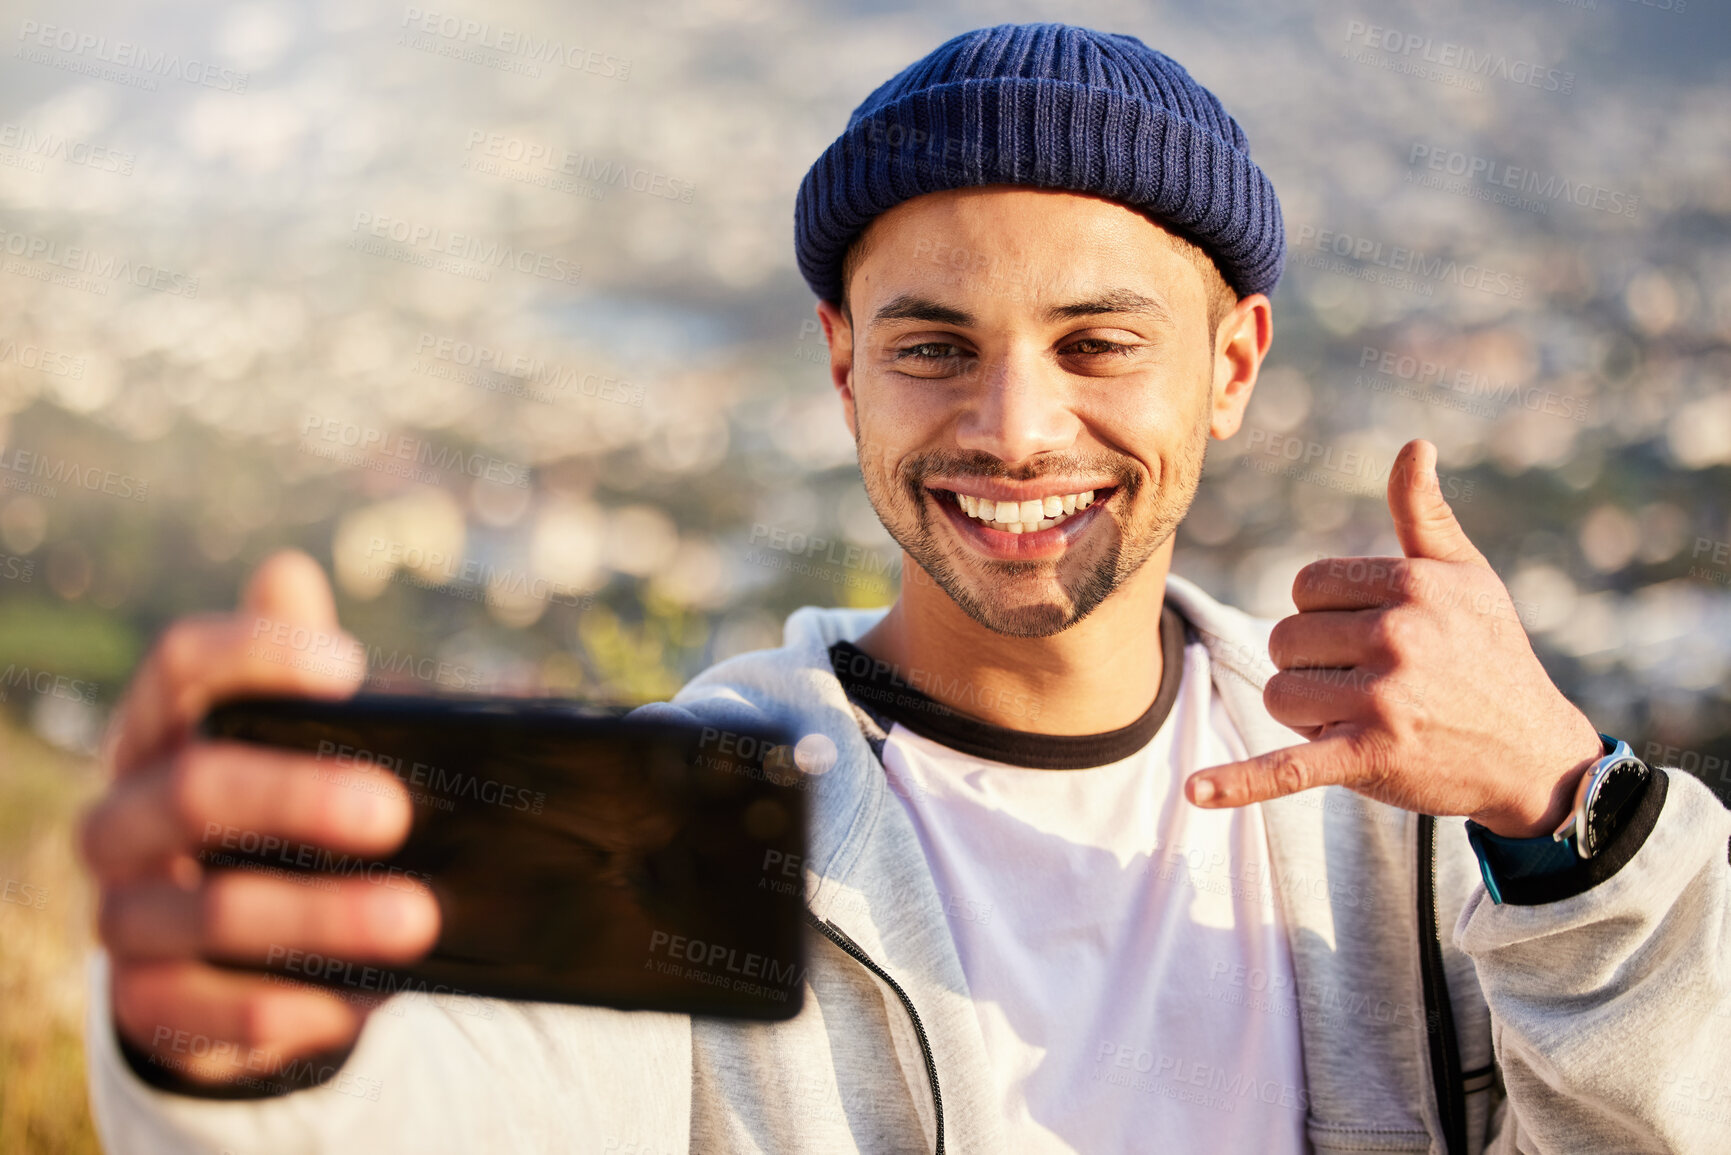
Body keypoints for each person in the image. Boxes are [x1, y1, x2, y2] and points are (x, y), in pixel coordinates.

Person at [80, 22, 1730, 1155]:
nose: (1016, 430)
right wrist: (248, 1055)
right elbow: (443, 1102)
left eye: (1099, 344)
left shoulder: (1429, 833)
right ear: (842, 369)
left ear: (1231, 364)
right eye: (935, 346)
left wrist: (1573, 822)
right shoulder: (696, 822)